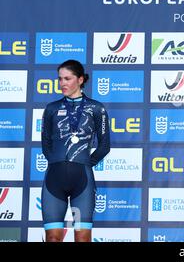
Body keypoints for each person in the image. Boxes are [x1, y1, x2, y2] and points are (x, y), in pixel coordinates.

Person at [41, 59, 110, 242]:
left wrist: (85, 163)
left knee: (82, 239)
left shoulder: (96, 108)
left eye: (67, 78)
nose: (62, 83)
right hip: (54, 180)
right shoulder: (52, 108)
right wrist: (56, 162)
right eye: (60, 79)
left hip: (82, 180)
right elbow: (45, 143)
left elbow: (104, 146)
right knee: (53, 238)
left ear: (80, 80)